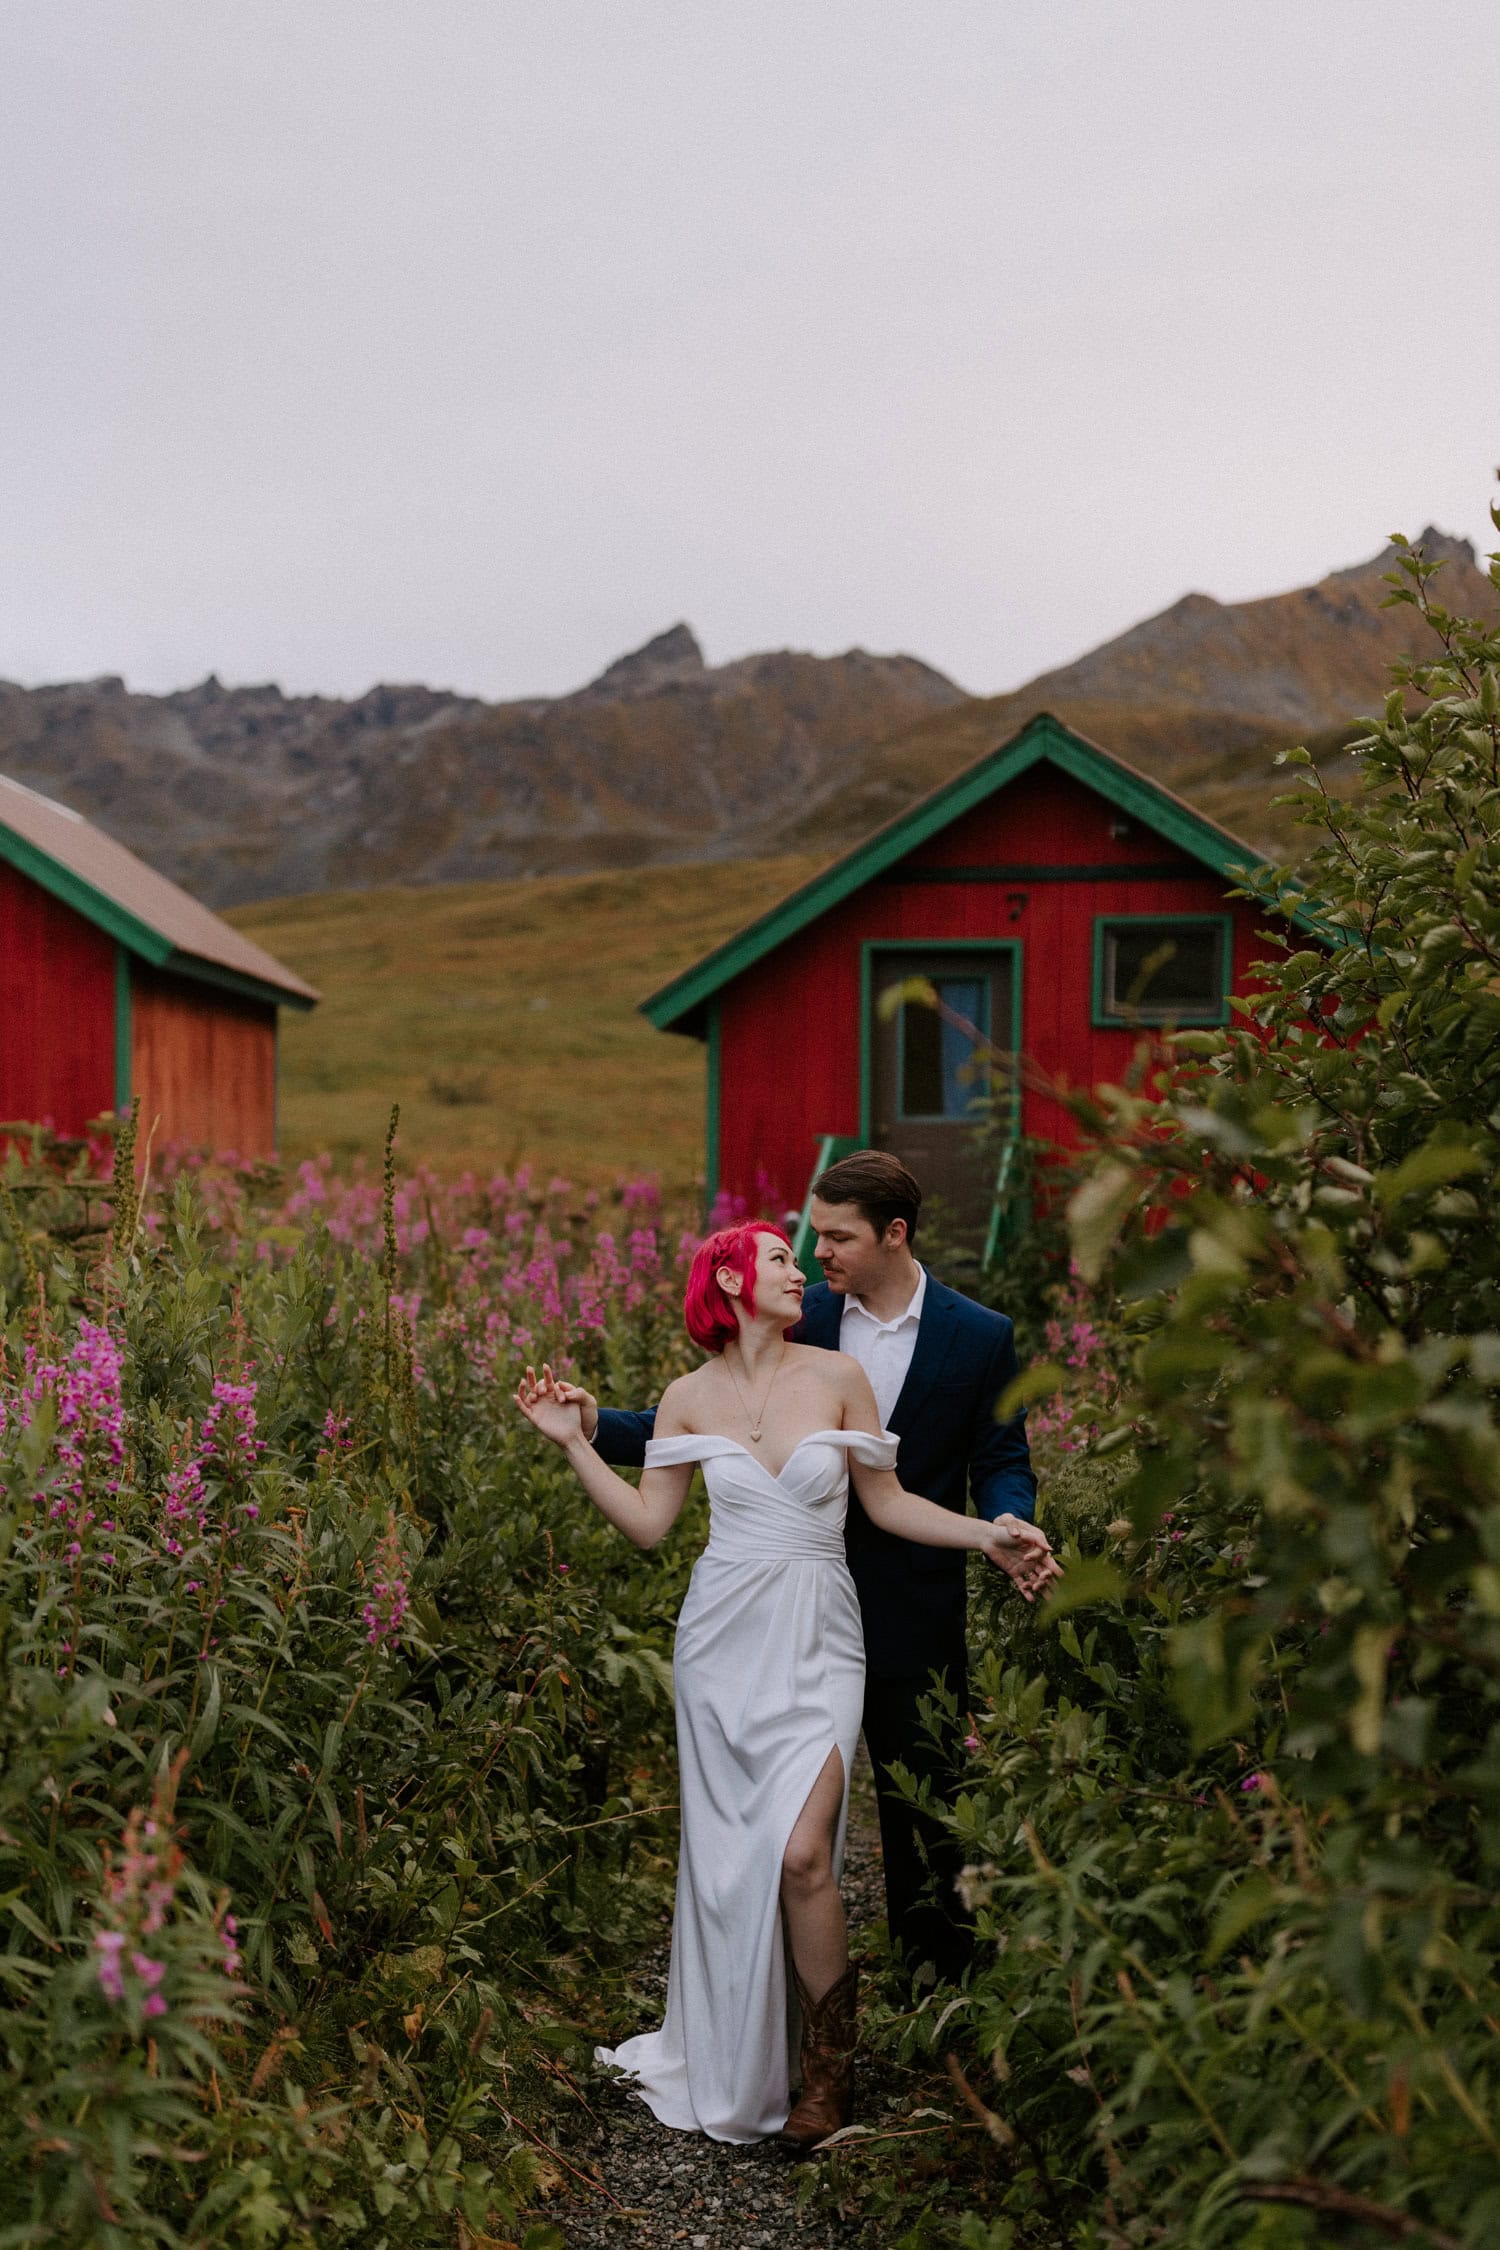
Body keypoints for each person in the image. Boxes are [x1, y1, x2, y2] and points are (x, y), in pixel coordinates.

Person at [514, 1219, 1057, 2149]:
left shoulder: (838, 1378)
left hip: (821, 1636)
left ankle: (827, 2078)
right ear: (727, 1281)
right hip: (721, 1642)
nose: (798, 1269)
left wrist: (988, 1536)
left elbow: (885, 1504)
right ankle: (740, 2054)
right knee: (733, 1867)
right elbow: (650, 1527)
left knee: (806, 1854)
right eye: (776, 1258)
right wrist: (574, 1443)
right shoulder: (686, 1398)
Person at [579, 1149, 1052, 1984]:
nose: (817, 1255)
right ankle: (764, 1998)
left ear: (893, 1234)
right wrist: (593, 1425)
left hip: (912, 1596)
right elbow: (699, 1414)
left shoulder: (979, 1336)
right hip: (784, 1607)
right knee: (775, 1812)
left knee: (927, 1795)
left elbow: (999, 1454)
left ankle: (938, 1983)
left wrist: (1007, 1518)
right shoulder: (804, 1316)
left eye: (836, 1238)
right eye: (810, 1240)